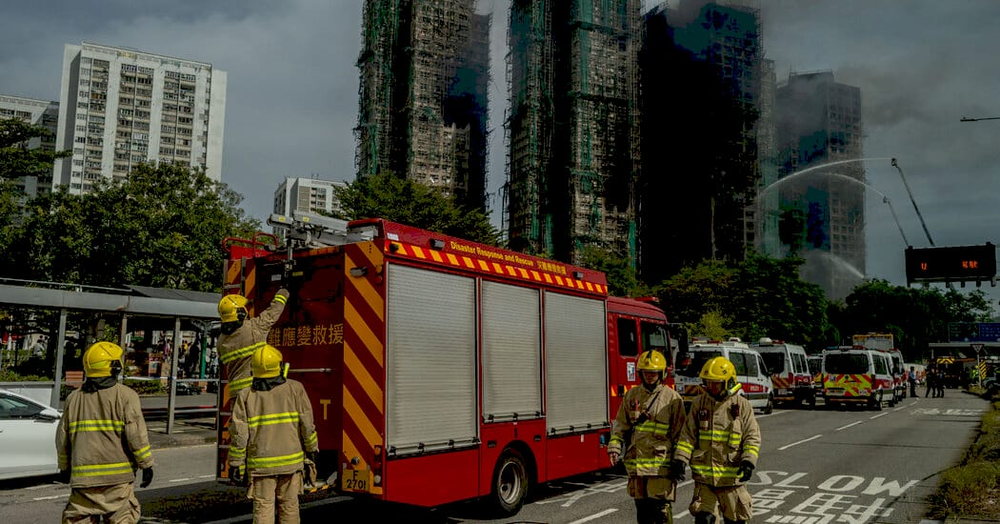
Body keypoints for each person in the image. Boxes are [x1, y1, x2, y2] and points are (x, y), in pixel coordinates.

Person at [56, 342, 155, 523]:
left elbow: (63, 437)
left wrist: (64, 468)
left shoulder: (74, 398)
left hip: (83, 482)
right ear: (114, 367)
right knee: (123, 518)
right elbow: (136, 436)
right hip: (117, 482)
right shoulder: (126, 395)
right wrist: (146, 464)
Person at [228, 344, 319, 524]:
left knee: (263, 509)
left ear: (253, 369)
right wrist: (312, 450)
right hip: (291, 465)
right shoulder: (296, 389)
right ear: (279, 365)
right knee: (290, 508)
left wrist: (235, 463)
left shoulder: (246, 395)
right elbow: (307, 425)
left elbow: (239, 434)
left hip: (261, 467)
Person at [669, 356, 761, 524]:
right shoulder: (699, 403)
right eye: (708, 382)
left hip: (732, 479)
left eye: (716, 382)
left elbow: (752, 437)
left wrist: (748, 462)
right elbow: (687, 434)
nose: (711, 386)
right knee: (705, 520)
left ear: (728, 382)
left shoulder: (742, 405)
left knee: (735, 521)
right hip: (705, 479)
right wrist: (680, 459)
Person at [607, 350, 687, 524]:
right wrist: (614, 447)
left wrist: (679, 460)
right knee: (642, 513)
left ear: (662, 373)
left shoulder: (672, 399)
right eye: (646, 372)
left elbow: (681, 434)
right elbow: (620, 425)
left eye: (654, 373)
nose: (650, 376)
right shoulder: (632, 395)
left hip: (661, 468)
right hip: (637, 469)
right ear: (640, 373)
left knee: (661, 513)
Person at [218, 288, 289, 402]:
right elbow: (273, 312)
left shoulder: (221, 341)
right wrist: (283, 291)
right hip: (256, 391)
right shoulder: (254, 328)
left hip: (236, 396)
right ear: (241, 313)